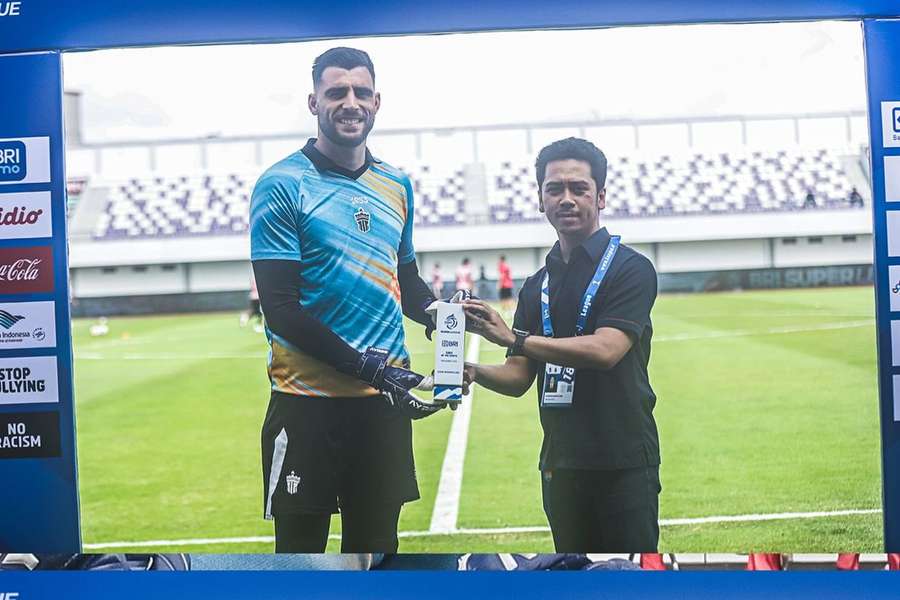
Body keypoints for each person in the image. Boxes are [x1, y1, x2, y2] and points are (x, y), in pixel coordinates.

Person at [249, 47, 447, 554]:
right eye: (336, 92)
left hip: (380, 409)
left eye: (361, 92)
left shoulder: (396, 184)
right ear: (314, 102)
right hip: (306, 406)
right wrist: (370, 368)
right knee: (300, 560)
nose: (350, 102)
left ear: (377, 102)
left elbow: (406, 279)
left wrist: (441, 315)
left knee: (375, 556)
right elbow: (281, 310)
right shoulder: (281, 184)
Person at [460, 137, 660, 552]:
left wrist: (514, 338)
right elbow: (519, 376)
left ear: (600, 197)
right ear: (540, 200)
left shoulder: (631, 269)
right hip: (560, 465)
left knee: (626, 576)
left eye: (579, 188)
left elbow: (605, 351)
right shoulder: (537, 285)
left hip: (623, 462)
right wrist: (473, 372)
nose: (566, 199)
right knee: (569, 573)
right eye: (554, 189)